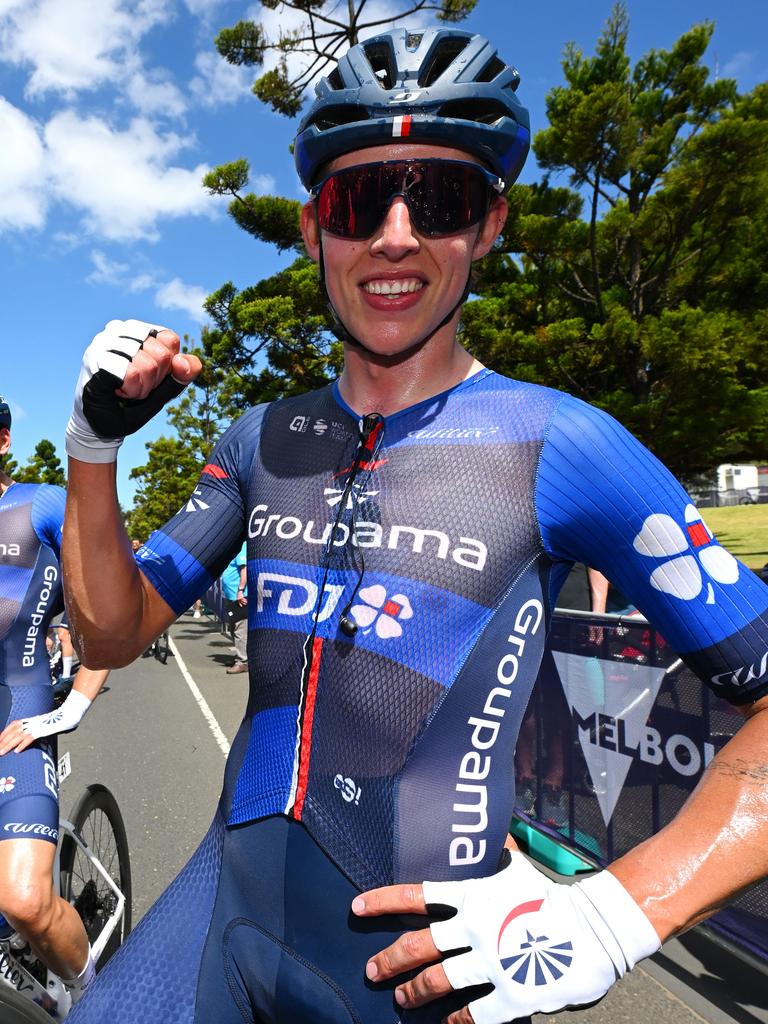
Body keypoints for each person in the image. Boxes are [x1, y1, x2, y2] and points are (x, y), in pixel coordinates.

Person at [61, 27, 768, 1024]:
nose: (395, 236)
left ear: (489, 226)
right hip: (220, 917)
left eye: (439, 199)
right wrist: (93, 448)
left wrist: (618, 912)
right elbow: (111, 631)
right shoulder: (264, 437)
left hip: (420, 975)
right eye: (359, 202)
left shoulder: (563, 442)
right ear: (315, 228)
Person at [0, 398, 108, 1006]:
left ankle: (92, 998)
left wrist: (72, 707)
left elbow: (113, 607)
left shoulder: (39, 505)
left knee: (24, 900)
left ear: (4, 441)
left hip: (21, 710)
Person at [220, 541, 248, 674]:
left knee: (240, 629)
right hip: (232, 596)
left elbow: (244, 569)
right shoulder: (235, 546)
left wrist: (240, 590)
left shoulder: (242, 545)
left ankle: (242, 662)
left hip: (239, 597)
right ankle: (240, 656)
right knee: (234, 627)